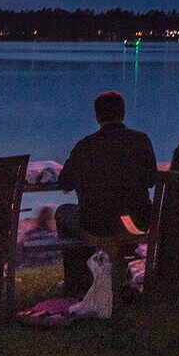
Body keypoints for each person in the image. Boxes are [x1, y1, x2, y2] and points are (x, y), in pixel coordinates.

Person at [54, 91, 159, 297]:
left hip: (98, 224)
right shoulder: (140, 141)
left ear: (97, 117)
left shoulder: (85, 146)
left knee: (63, 212)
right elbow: (151, 180)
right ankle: (117, 267)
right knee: (116, 220)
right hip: (137, 222)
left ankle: (77, 280)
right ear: (123, 113)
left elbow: (65, 182)